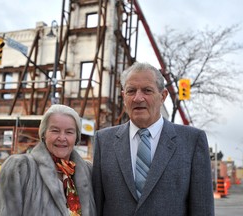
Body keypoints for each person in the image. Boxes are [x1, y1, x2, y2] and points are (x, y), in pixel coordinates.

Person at [92, 62, 214, 216]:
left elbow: (202, 209)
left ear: (162, 96)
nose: (138, 98)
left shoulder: (192, 141)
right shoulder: (103, 141)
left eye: (147, 90)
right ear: (124, 97)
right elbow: (96, 205)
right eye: (131, 91)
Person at [0, 104, 96, 216]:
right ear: (43, 134)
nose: (62, 138)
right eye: (55, 130)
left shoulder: (88, 172)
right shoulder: (21, 168)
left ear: (76, 137)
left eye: (69, 132)